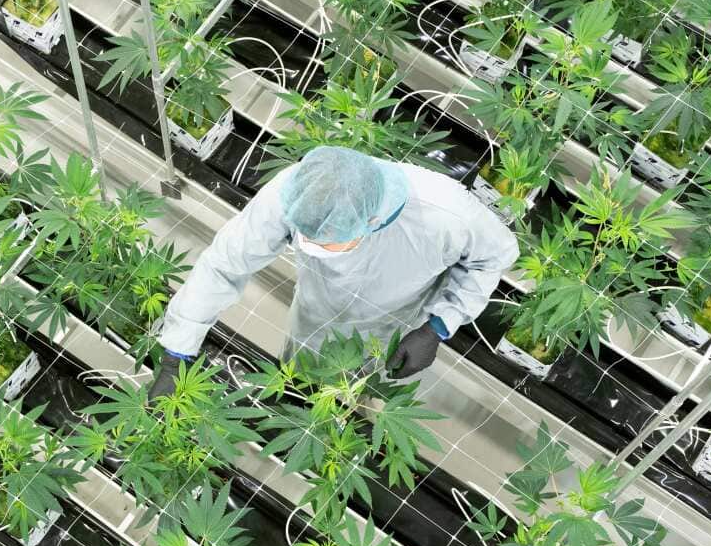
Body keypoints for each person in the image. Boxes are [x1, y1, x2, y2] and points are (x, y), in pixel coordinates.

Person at [149, 145, 519, 398]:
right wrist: (176, 351)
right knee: (302, 365)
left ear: (371, 220)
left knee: (363, 379)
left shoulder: (447, 215)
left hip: (395, 319)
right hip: (315, 307)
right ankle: (301, 393)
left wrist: (438, 327)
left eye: (327, 243)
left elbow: (496, 257)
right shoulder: (300, 189)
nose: (313, 248)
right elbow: (225, 263)